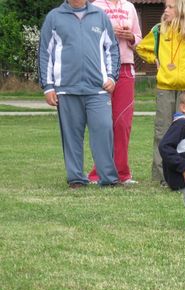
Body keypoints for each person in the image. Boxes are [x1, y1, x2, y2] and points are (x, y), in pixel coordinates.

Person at [38, 0, 120, 188]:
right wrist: (48, 86)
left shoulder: (100, 16)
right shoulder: (54, 17)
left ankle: (108, 178)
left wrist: (112, 77)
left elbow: (112, 48)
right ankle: (76, 178)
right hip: (66, 88)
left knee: (104, 130)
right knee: (72, 136)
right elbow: (45, 53)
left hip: (98, 90)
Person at [136, 0, 185, 186]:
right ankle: (161, 176)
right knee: (163, 131)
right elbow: (141, 48)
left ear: (182, 9)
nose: (166, 10)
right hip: (165, 87)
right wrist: (156, 60)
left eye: (170, 7)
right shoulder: (159, 30)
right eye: (166, 7)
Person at [87, 0, 142, 185]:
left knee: (123, 123)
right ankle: (98, 172)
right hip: (101, 68)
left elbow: (139, 41)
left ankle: (122, 173)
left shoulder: (129, 7)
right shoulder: (94, 7)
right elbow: (88, 38)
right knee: (102, 123)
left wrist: (130, 37)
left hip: (125, 67)